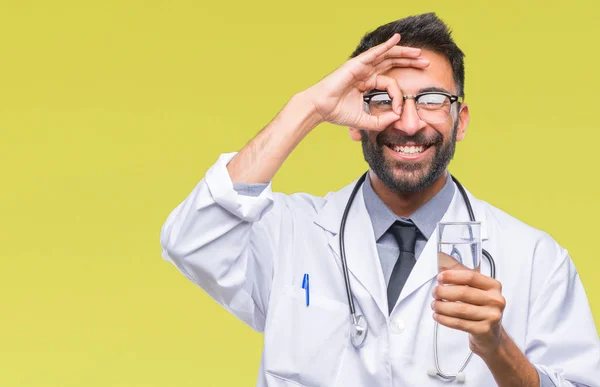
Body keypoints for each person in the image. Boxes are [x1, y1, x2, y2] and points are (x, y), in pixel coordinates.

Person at [159, 13, 600, 387]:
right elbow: (190, 240)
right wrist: (308, 108)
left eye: (430, 100)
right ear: (352, 119)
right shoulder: (290, 233)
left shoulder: (535, 259)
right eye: (383, 100)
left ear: (459, 120)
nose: (408, 123)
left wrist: (497, 347)